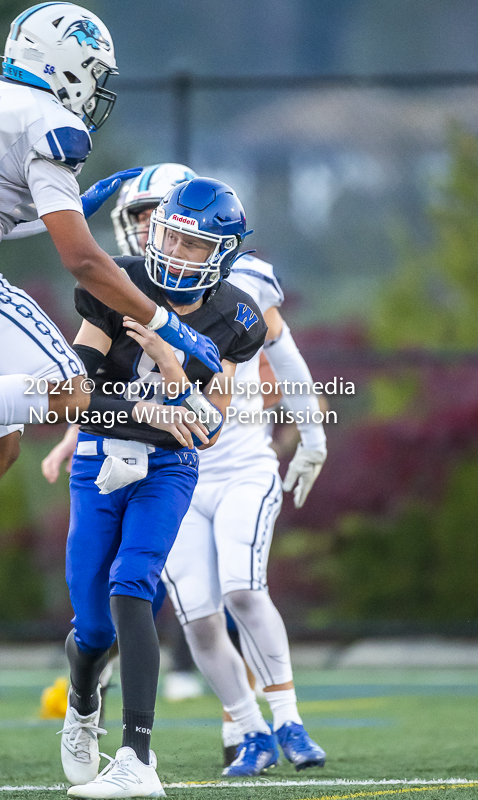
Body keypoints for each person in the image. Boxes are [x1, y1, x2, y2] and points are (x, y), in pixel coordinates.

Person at [0, 3, 221, 690]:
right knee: (65, 383)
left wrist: (67, 201)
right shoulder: (52, 119)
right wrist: (166, 326)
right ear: (67, 60)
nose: (95, 88)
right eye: (93, 72)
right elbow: (81, 260)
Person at [53, 177, 267, 798]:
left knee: (134, 580)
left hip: (168, 468)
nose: (175, 251)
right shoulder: (118, 283)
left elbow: (212, 423)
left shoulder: (236, 316)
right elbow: (75, 395)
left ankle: (137, 758)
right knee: (92, 626)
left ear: (222, 254)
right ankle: (83, 699)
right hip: (99, 458)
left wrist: (175, 373)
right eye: (170, 234)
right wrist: (151, 411)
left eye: (194, 244)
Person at [162, 250, 328, 777]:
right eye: (155, 224)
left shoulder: (249, 281)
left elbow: (285, 356)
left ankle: (288, 721)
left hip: (242, 467)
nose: (162, 240)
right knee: (199, 620)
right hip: (171, 473)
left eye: (189, 237)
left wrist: (313, 436)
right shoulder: (135, 279)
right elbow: (108, 373)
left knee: (242, 590)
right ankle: (250, 731)